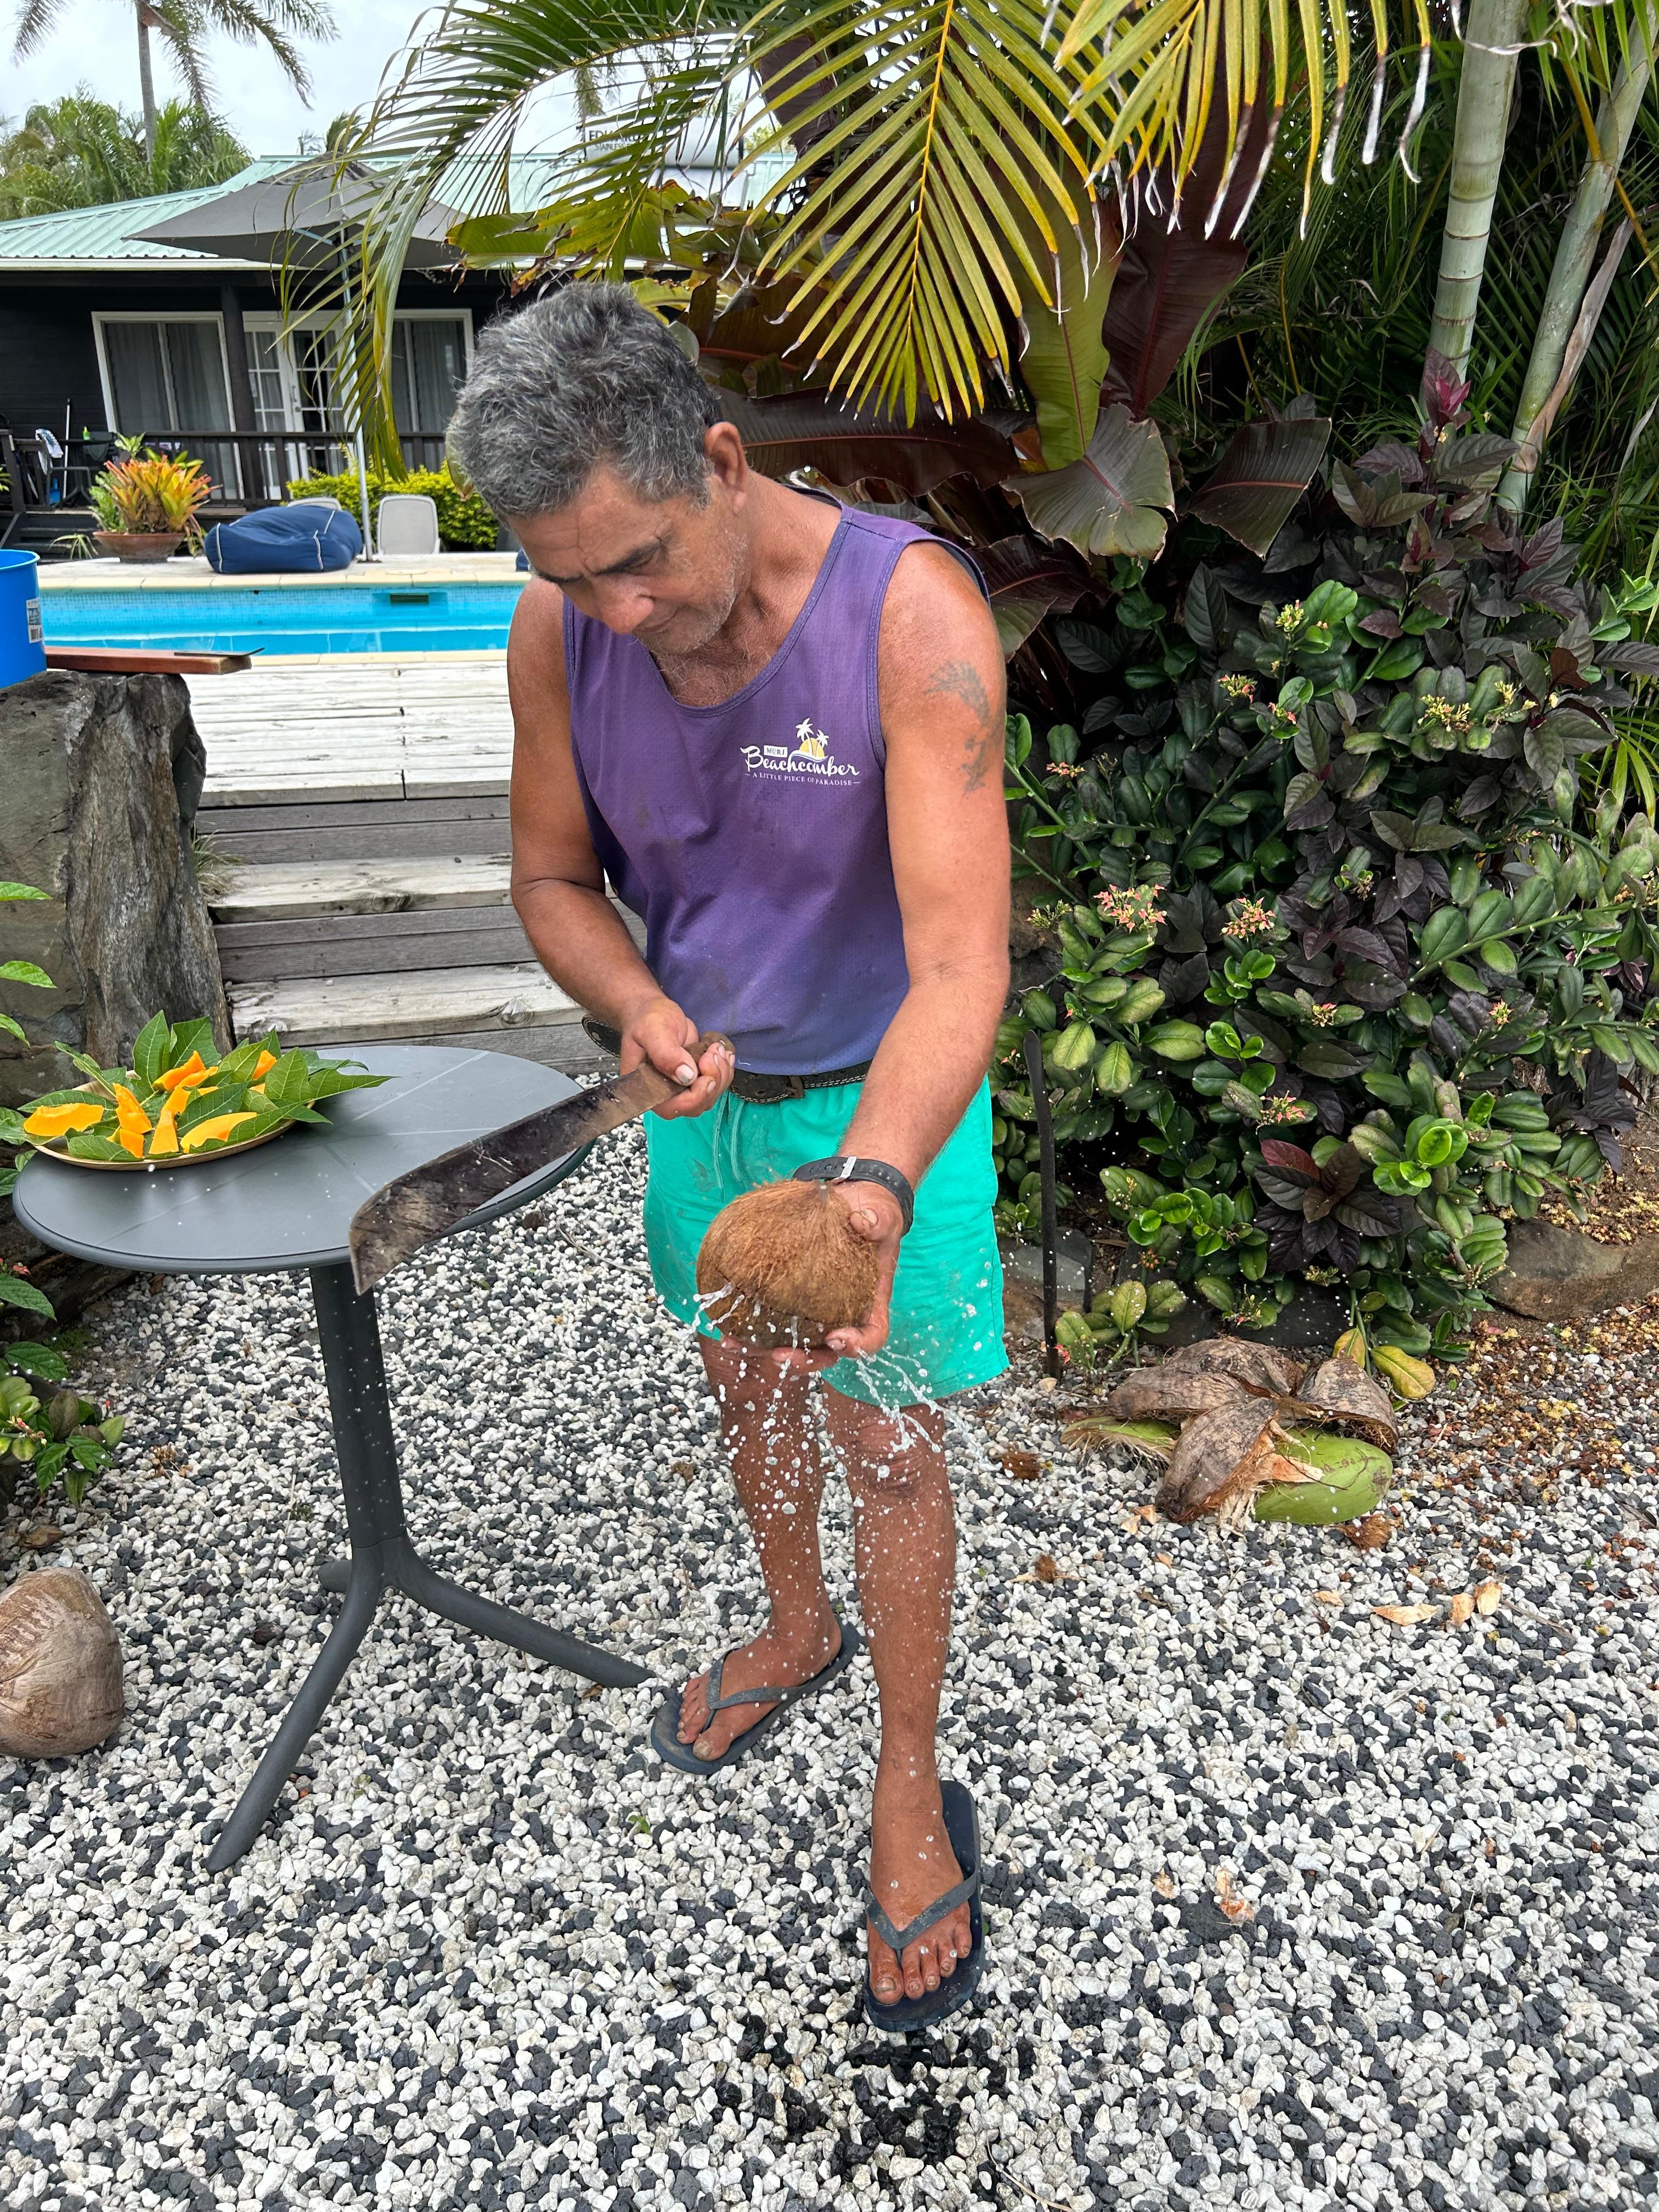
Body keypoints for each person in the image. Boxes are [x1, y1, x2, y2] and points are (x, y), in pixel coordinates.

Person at [445, 285, 1011, 2030]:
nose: (617, 610)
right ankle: (795, 1628)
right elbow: (553, 879)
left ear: (718, 456)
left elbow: (960, 967)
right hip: (706, 1104)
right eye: (571, 576)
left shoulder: (907, 620)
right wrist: (629, 1001)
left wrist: (875, 1189)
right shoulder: (562, 634)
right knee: (745, 1392)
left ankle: (907, 1780)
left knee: (891, 1452)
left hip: (885, 1105)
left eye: (637, 562)